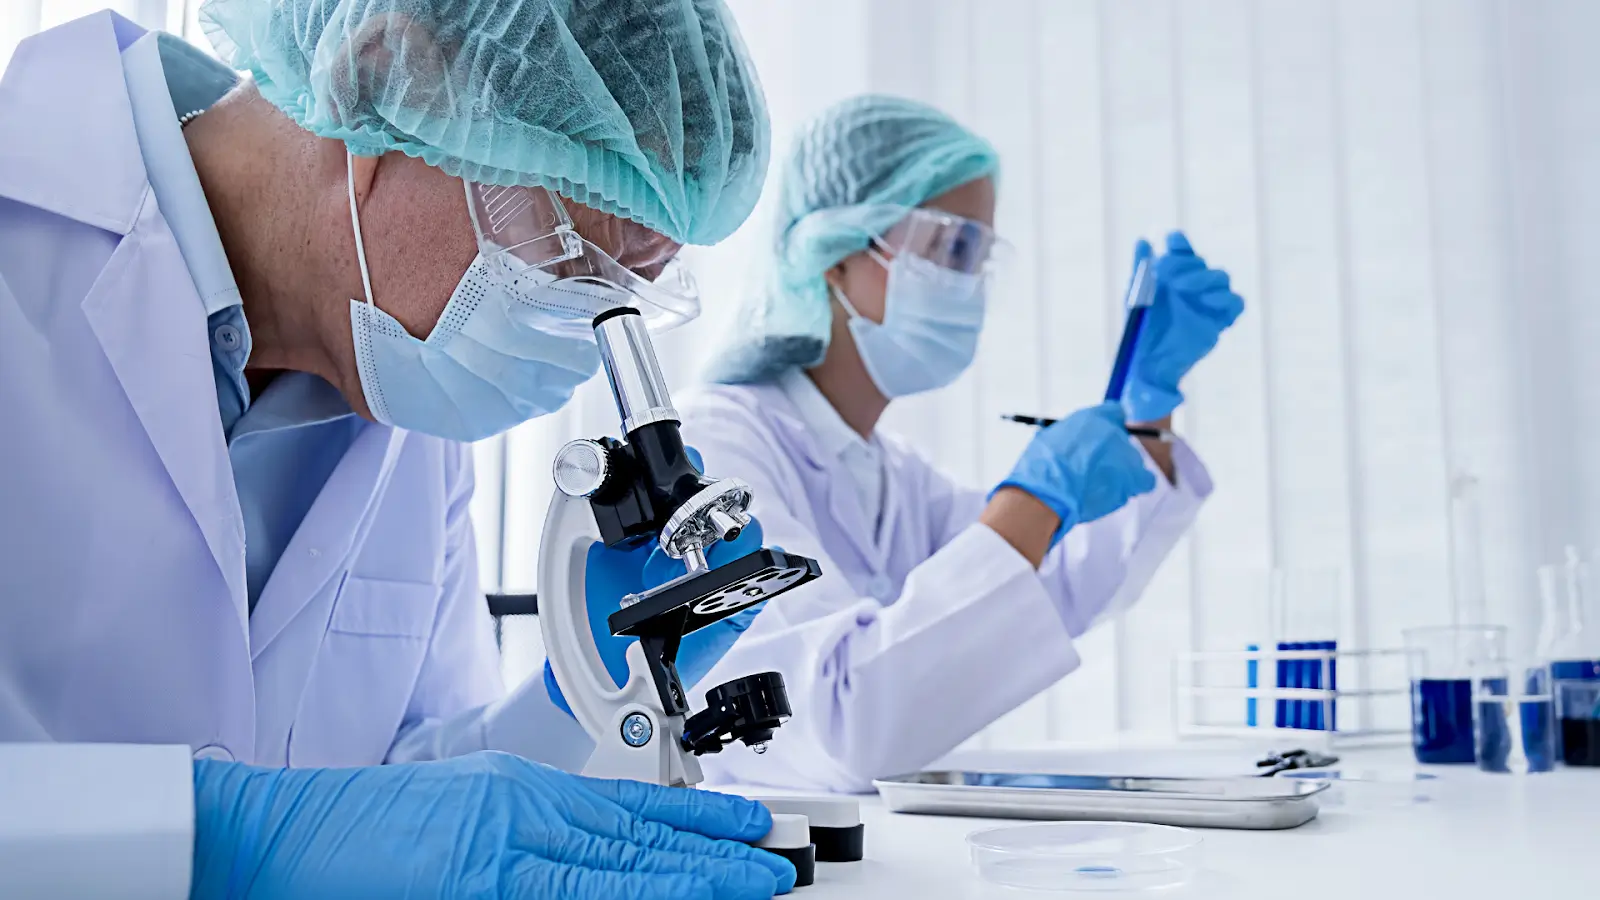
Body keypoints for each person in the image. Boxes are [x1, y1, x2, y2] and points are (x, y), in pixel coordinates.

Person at [0, 2, 796, 897]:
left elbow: (404, 802)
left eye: (617, 299)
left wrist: (577, 698)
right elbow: (315, 835)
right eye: (566, 262)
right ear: (382, 77)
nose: (577, 344)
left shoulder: (393, 381)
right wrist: (205, 837)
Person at [680, 95, 1245, 792]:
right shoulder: (711, 454)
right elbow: (839, 720)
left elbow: (1055, 585)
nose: (968, 282)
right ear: (835, 255)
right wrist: (1035, 497)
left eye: (980, 254)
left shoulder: (892, 476)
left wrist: (1144, 409)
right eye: (951, 245)